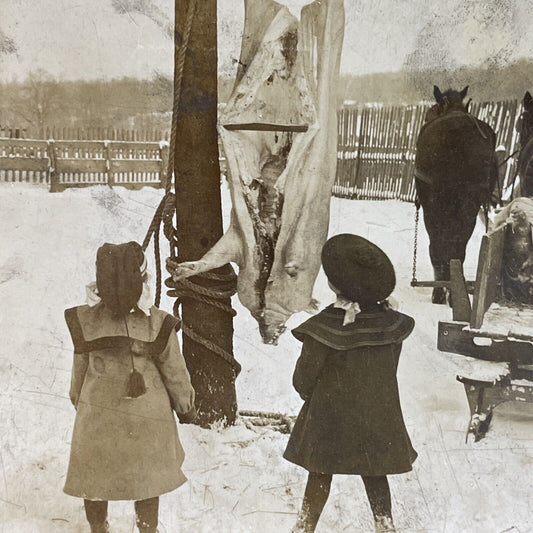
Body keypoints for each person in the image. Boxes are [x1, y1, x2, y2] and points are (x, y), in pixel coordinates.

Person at [284, 234, 417, 533]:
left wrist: (312, 397)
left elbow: (304, 379)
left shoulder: (324, 327)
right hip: (374, 416)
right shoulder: (389, 324)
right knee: (374, 472)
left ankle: (305, 527)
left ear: (335, 286)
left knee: (319, 472)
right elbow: (388, 369)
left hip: (328, 419)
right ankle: (385, 524)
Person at [63, 242, 196, 533]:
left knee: (94, 478)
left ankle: (98, 528)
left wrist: (81, 403)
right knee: (147, 479)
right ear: (143, 279)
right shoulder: (158, 323)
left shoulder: (84, 320)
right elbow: (175, 373)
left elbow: (79, 374)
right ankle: (147, 528)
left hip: (97, 413)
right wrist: (185, 406)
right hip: (148, 416)